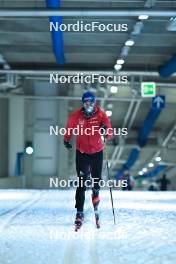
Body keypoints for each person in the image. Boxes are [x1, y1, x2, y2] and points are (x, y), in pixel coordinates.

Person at [63, 91, 112, 229]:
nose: (88, 104)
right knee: (82, 184)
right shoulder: (76, 116)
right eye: (86, 102)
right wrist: (66, 139)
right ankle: (79, 212)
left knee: (96, 181)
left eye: (90, 102)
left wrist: (105, 130)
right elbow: (69, 128)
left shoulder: (101, 115)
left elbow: (109, 133)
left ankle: (96, 193)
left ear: (94, 102)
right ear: (83, 103)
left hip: (97, 152)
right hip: (82, 152)